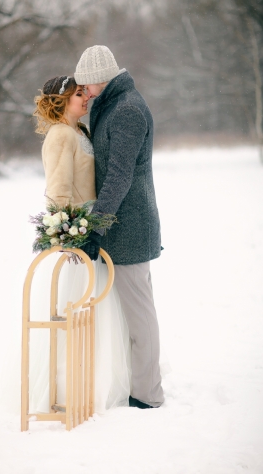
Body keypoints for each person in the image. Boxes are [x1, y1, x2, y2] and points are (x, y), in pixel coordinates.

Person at [28, 75, 131, 414]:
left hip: (91, 232)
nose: (86, 98)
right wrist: (69, 234)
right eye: (79, 94)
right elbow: (58, 190)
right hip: (77, 238)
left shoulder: (79, 132)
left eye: (86, 92)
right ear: (62, 101)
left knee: (94, 314)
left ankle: (94, 383)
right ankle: (64, 388)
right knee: (73, 314)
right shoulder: (59, 135)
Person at [74, 45, 164, 408]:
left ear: (100, 77)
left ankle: (148, 394)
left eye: (86, 85)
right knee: (130, 314)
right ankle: (137, 384)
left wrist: (96, 227)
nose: (85, 92)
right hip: (119, 223)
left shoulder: (126, 109)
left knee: (140, 315)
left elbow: (118, 177)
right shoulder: (113, 103)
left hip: (130, 225)